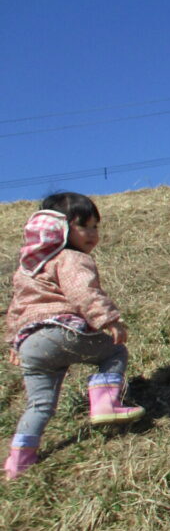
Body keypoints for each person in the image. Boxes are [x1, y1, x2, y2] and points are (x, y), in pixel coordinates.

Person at [4, 192, 145, 480]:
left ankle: (18, 462)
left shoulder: (27, 269)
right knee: (114, 352)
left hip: (31, 344)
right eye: (85, 226)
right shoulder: (71, 258)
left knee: (40, 404)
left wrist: (14, 343)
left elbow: (16, 308)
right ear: (61, 230)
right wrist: (110, 320)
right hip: (63, 331)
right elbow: (84, 292)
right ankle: (106, 402)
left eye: (96, 227)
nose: (93, 234)